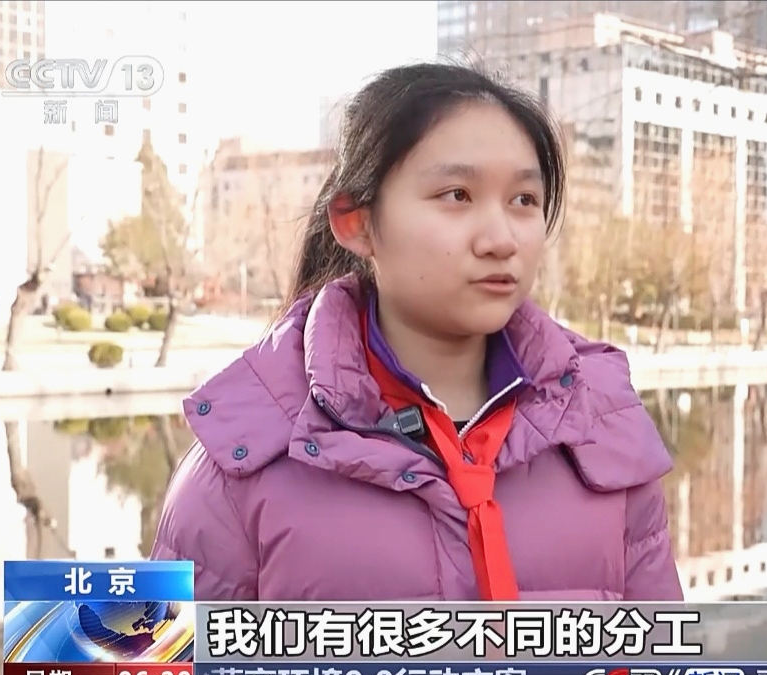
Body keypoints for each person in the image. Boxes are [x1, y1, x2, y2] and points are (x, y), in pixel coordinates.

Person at [150, 62, 684, 602]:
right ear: (356, 222)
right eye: (457, 195)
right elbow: (140, 651)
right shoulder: (241, 459)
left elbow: (665, 648)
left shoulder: (604, 431)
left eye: (523, 200)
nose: (501, 239)